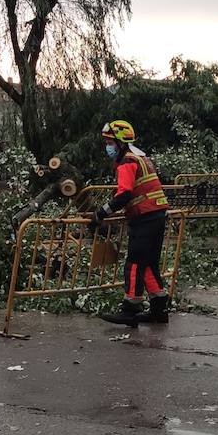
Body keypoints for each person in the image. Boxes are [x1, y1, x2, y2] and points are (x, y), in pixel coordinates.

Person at [91, 120, 170, 327]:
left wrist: (101, 213)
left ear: (120, 143)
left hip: (144, 218)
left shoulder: (127, 162)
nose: (107, 147)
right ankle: (159, 308)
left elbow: (124, 194)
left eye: (110, 142)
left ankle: (130, 309)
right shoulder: (142, 157)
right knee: (148, 264)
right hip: (156, 215)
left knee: (134, 263)